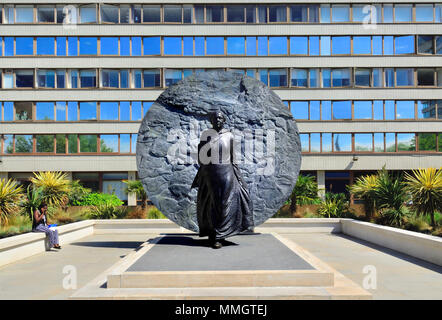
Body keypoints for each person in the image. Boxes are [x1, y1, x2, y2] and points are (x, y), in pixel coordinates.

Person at [191, 111, 254, 249]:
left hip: (227, 171)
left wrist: (239, 177)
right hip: (211, 172)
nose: (218, 120)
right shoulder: (206, 135)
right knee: (214, 203)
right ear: (211, 120)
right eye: (215, 118)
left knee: (226, 202)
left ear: (224, 120)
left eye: (220, 118)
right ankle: (214, 236)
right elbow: (201, 157)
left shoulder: (229, 135)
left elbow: (233, 157)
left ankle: (222, 234)